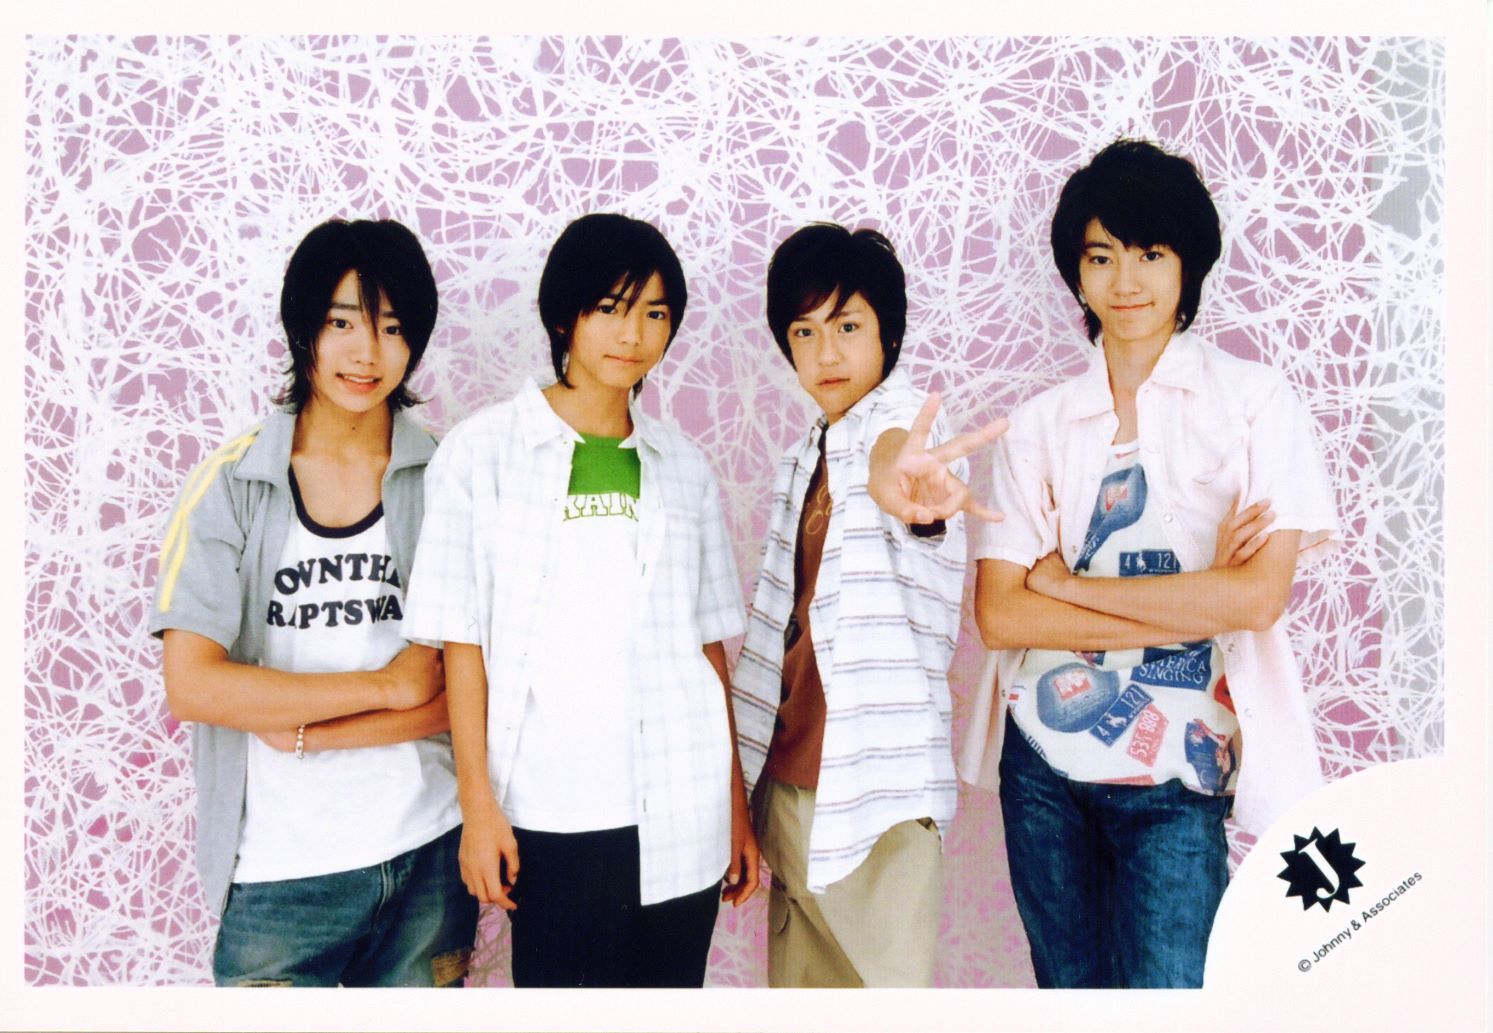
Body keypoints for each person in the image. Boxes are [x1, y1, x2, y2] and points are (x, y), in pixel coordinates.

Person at [957, 140, 1341, 988]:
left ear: (1186, 264)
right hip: (1044, 764)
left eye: (1150, 253)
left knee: (1174, 1000)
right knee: (1071, 1002)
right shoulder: (1038, 424)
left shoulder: (1253, 403)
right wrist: (1199, 593)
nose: (1124, 280)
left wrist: (1066, 585)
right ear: (1076, 273)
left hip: (1180, 764)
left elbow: (1256, 598)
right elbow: (1001, 615)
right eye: (1101, 257)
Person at [401, 212, 756, 988]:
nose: (633, 334)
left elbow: (707, 647)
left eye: (654, 313)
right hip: (551, 809)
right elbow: (462, 642)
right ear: (564, 316)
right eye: (610, 308)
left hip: (682, 808)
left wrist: (734, 807)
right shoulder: (481, 453)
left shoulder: (684, 467)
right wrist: (478, 805)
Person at [149, 219, 476, 986]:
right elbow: (194, 685)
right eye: (342, 323)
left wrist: (308, 731)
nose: (367, 353)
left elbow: (470, 692)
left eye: (392, 328)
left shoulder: (448, 479)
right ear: (304, 329)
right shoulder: (233, 481)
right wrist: (386, 685)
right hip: (280, 872)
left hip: (427, 855)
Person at [731, 223, 1004, 987]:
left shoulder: (903, 426)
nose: (826, 352)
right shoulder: (804, 457)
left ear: (886, 333)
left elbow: (893, 456)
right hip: (789, 782)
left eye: (847, 326)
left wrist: (903, 483)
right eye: (804, 331)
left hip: (875, 792)